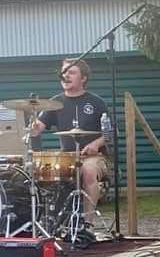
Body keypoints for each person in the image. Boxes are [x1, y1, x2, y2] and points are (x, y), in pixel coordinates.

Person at [30, 59, 109, 217]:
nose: (65, 75)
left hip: (93, 157)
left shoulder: (97, 102)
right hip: (66, 157)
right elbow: (36, 129)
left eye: (71, 72)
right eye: (64, 72)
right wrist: (31, 121)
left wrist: (96, 144)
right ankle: (50, 220)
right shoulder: (55, 102)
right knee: (38, 170)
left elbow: (111, 133)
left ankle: (87, 222)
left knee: (88, 171)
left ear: (83, 78)